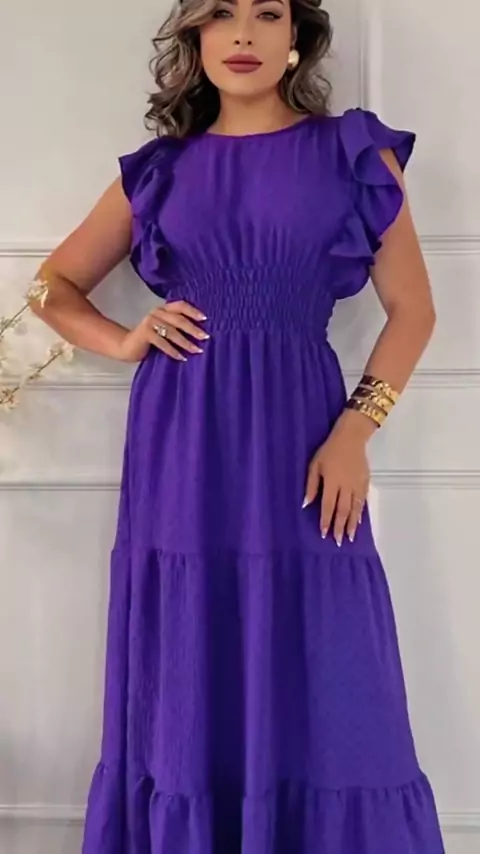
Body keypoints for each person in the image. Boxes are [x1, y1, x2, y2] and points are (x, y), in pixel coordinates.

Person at [30, 0, 446, 850]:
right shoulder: (161, 170)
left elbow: (413, 311)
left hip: (305, 442)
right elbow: (52, 287)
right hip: (182, 445)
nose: (244, 33)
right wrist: (125, 339)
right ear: (195, 37)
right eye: (220, 14)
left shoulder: (350, 153)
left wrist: (355, 433)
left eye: (266, 13)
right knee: (192, 645)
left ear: (297, 38)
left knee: (331, 656)